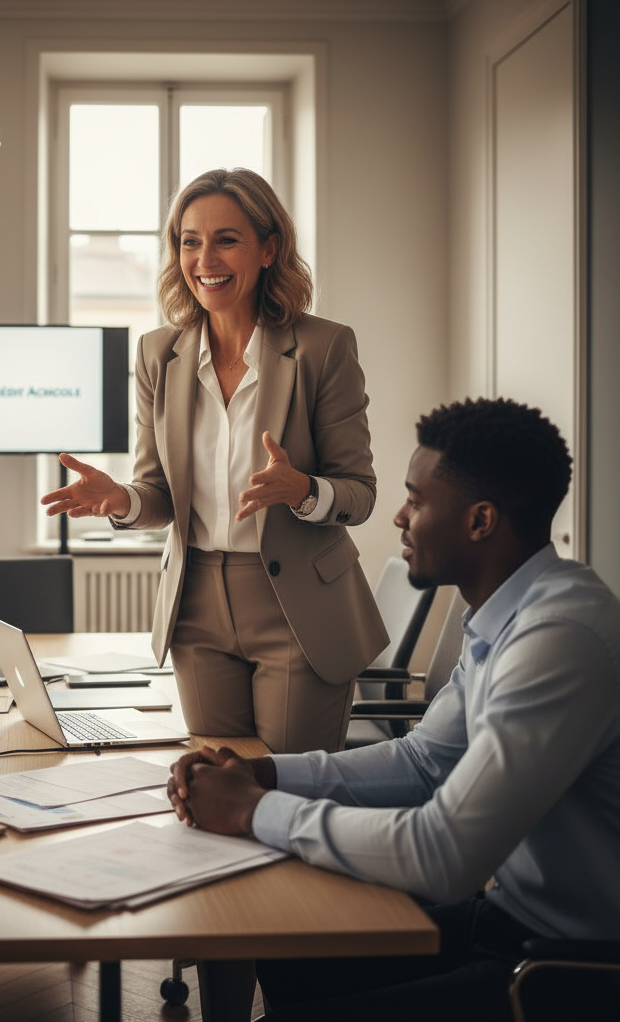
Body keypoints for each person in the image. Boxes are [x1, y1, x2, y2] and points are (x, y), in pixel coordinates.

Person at [168, 397, 620, 1021]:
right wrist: (267, 774)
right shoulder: (504, 614)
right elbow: (423, 763)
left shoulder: (561, 638)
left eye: (417, 499)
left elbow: (443, 855)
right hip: (506, 918)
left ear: (480, 521)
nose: (401, 517)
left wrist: (254, 811)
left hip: (567, 969)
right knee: (282, 951)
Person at [41, 168, 388, 754]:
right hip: (196, 601)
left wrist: (302, 489)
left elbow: (359, 492)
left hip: (298, 605)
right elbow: (158, 493)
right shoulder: (159, 354)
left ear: (269, 248)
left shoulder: (324, 348)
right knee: (212, 784)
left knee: (288, 787)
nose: (206, 258)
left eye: (227, 238)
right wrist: (122, 500)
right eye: (189, 241)